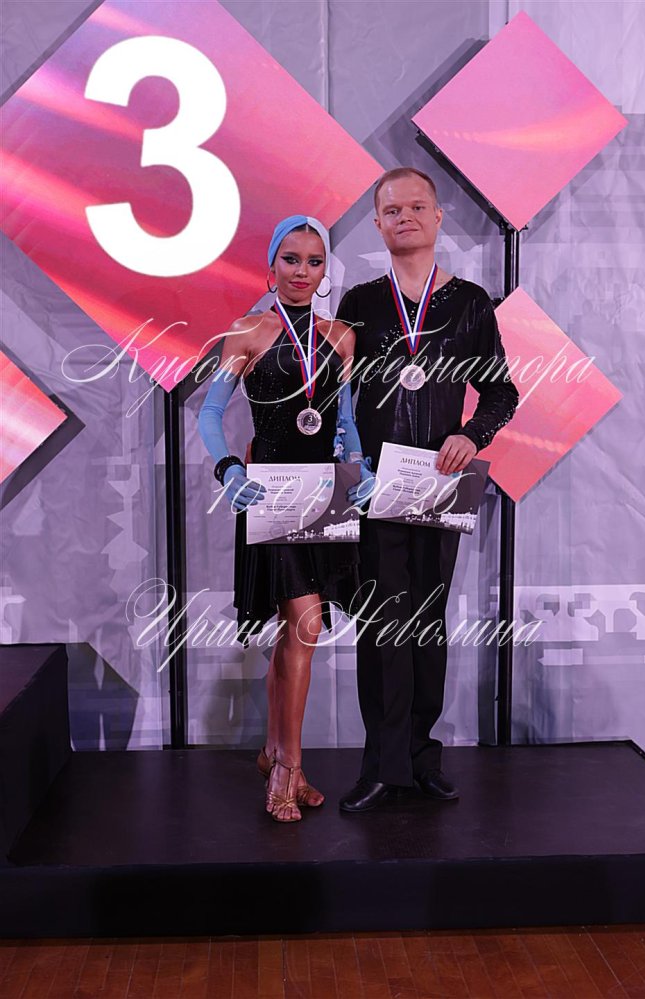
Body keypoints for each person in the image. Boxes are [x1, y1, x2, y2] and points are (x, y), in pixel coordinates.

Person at [336, 167, 520, 812]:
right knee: (380, 624)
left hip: (440, 485)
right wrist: (346, 462)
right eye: (392, 210)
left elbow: (501, 391)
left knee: (427, 621)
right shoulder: (360, 303)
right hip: (374, 488)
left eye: (417, 206)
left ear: (439, 217)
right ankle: (381, 765)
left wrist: (473, 434)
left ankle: (421, 758)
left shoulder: (470, 303)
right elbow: (337, 395)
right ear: (378, 224)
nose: (405, 217)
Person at [198, 215, 370, 823]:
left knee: (292, 631)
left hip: (323, 496)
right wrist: (228, 470)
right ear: (271, 267)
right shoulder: (247, 331)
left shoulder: (341, 337)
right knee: (306, 624)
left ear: (326, 271)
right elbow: (210, 414)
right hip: (268, 494)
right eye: (291, 259)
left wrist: (360, 466)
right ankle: (288, 770)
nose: (302, 271)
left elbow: (344, 419)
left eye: (314, 261)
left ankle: (274, 749)